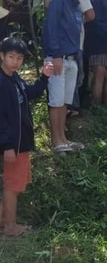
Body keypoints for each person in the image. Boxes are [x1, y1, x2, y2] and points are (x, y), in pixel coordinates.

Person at [0, 37, 53, 236]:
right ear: (2, 56)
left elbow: (30, 93)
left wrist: (44, 78)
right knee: (12, 185)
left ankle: (4, 220)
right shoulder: (2, 82)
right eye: (11, 57)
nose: (15, 61)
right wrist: (7, 146)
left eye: (19, 58)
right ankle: (11, 228)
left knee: (14, 183)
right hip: (12, 144)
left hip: (19, 142)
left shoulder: (14, 78)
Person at [42, 0, 97, 152]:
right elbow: (51, 28)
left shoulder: (74, 2)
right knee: (56, 101)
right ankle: (56, 141)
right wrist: (56, 55)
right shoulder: (59, 1)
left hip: (72, 58)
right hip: (59, 58)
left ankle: (63, 139)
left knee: (64, 102)